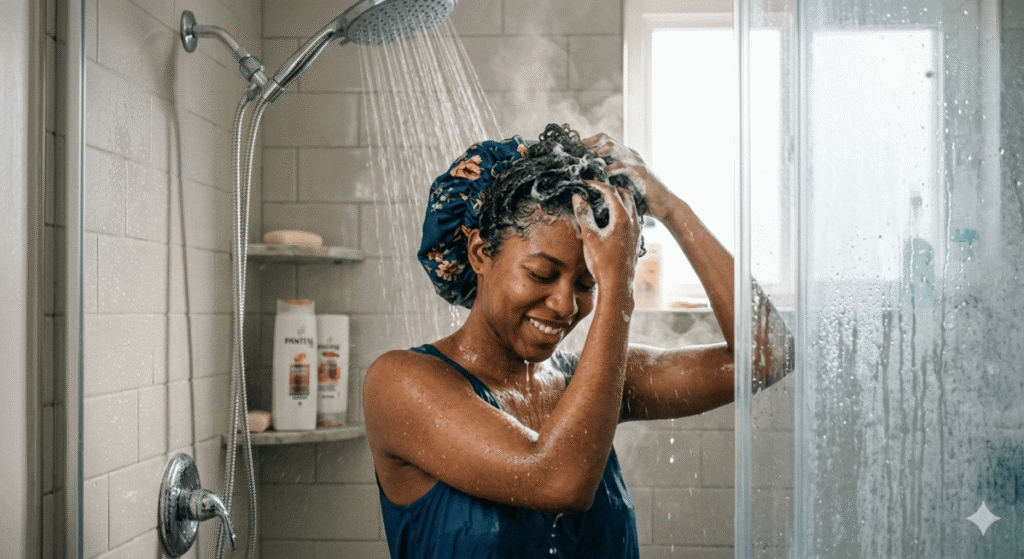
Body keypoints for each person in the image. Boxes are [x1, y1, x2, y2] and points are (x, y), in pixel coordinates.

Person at [363, 124, 792, 558]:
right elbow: (558, 480)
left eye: (588, 283)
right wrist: (619, 288)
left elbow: (767, 356)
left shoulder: (595, 384)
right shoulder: (400, 383)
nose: (566, 304)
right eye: (541, 274)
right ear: (479, 253)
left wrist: (673, 209)